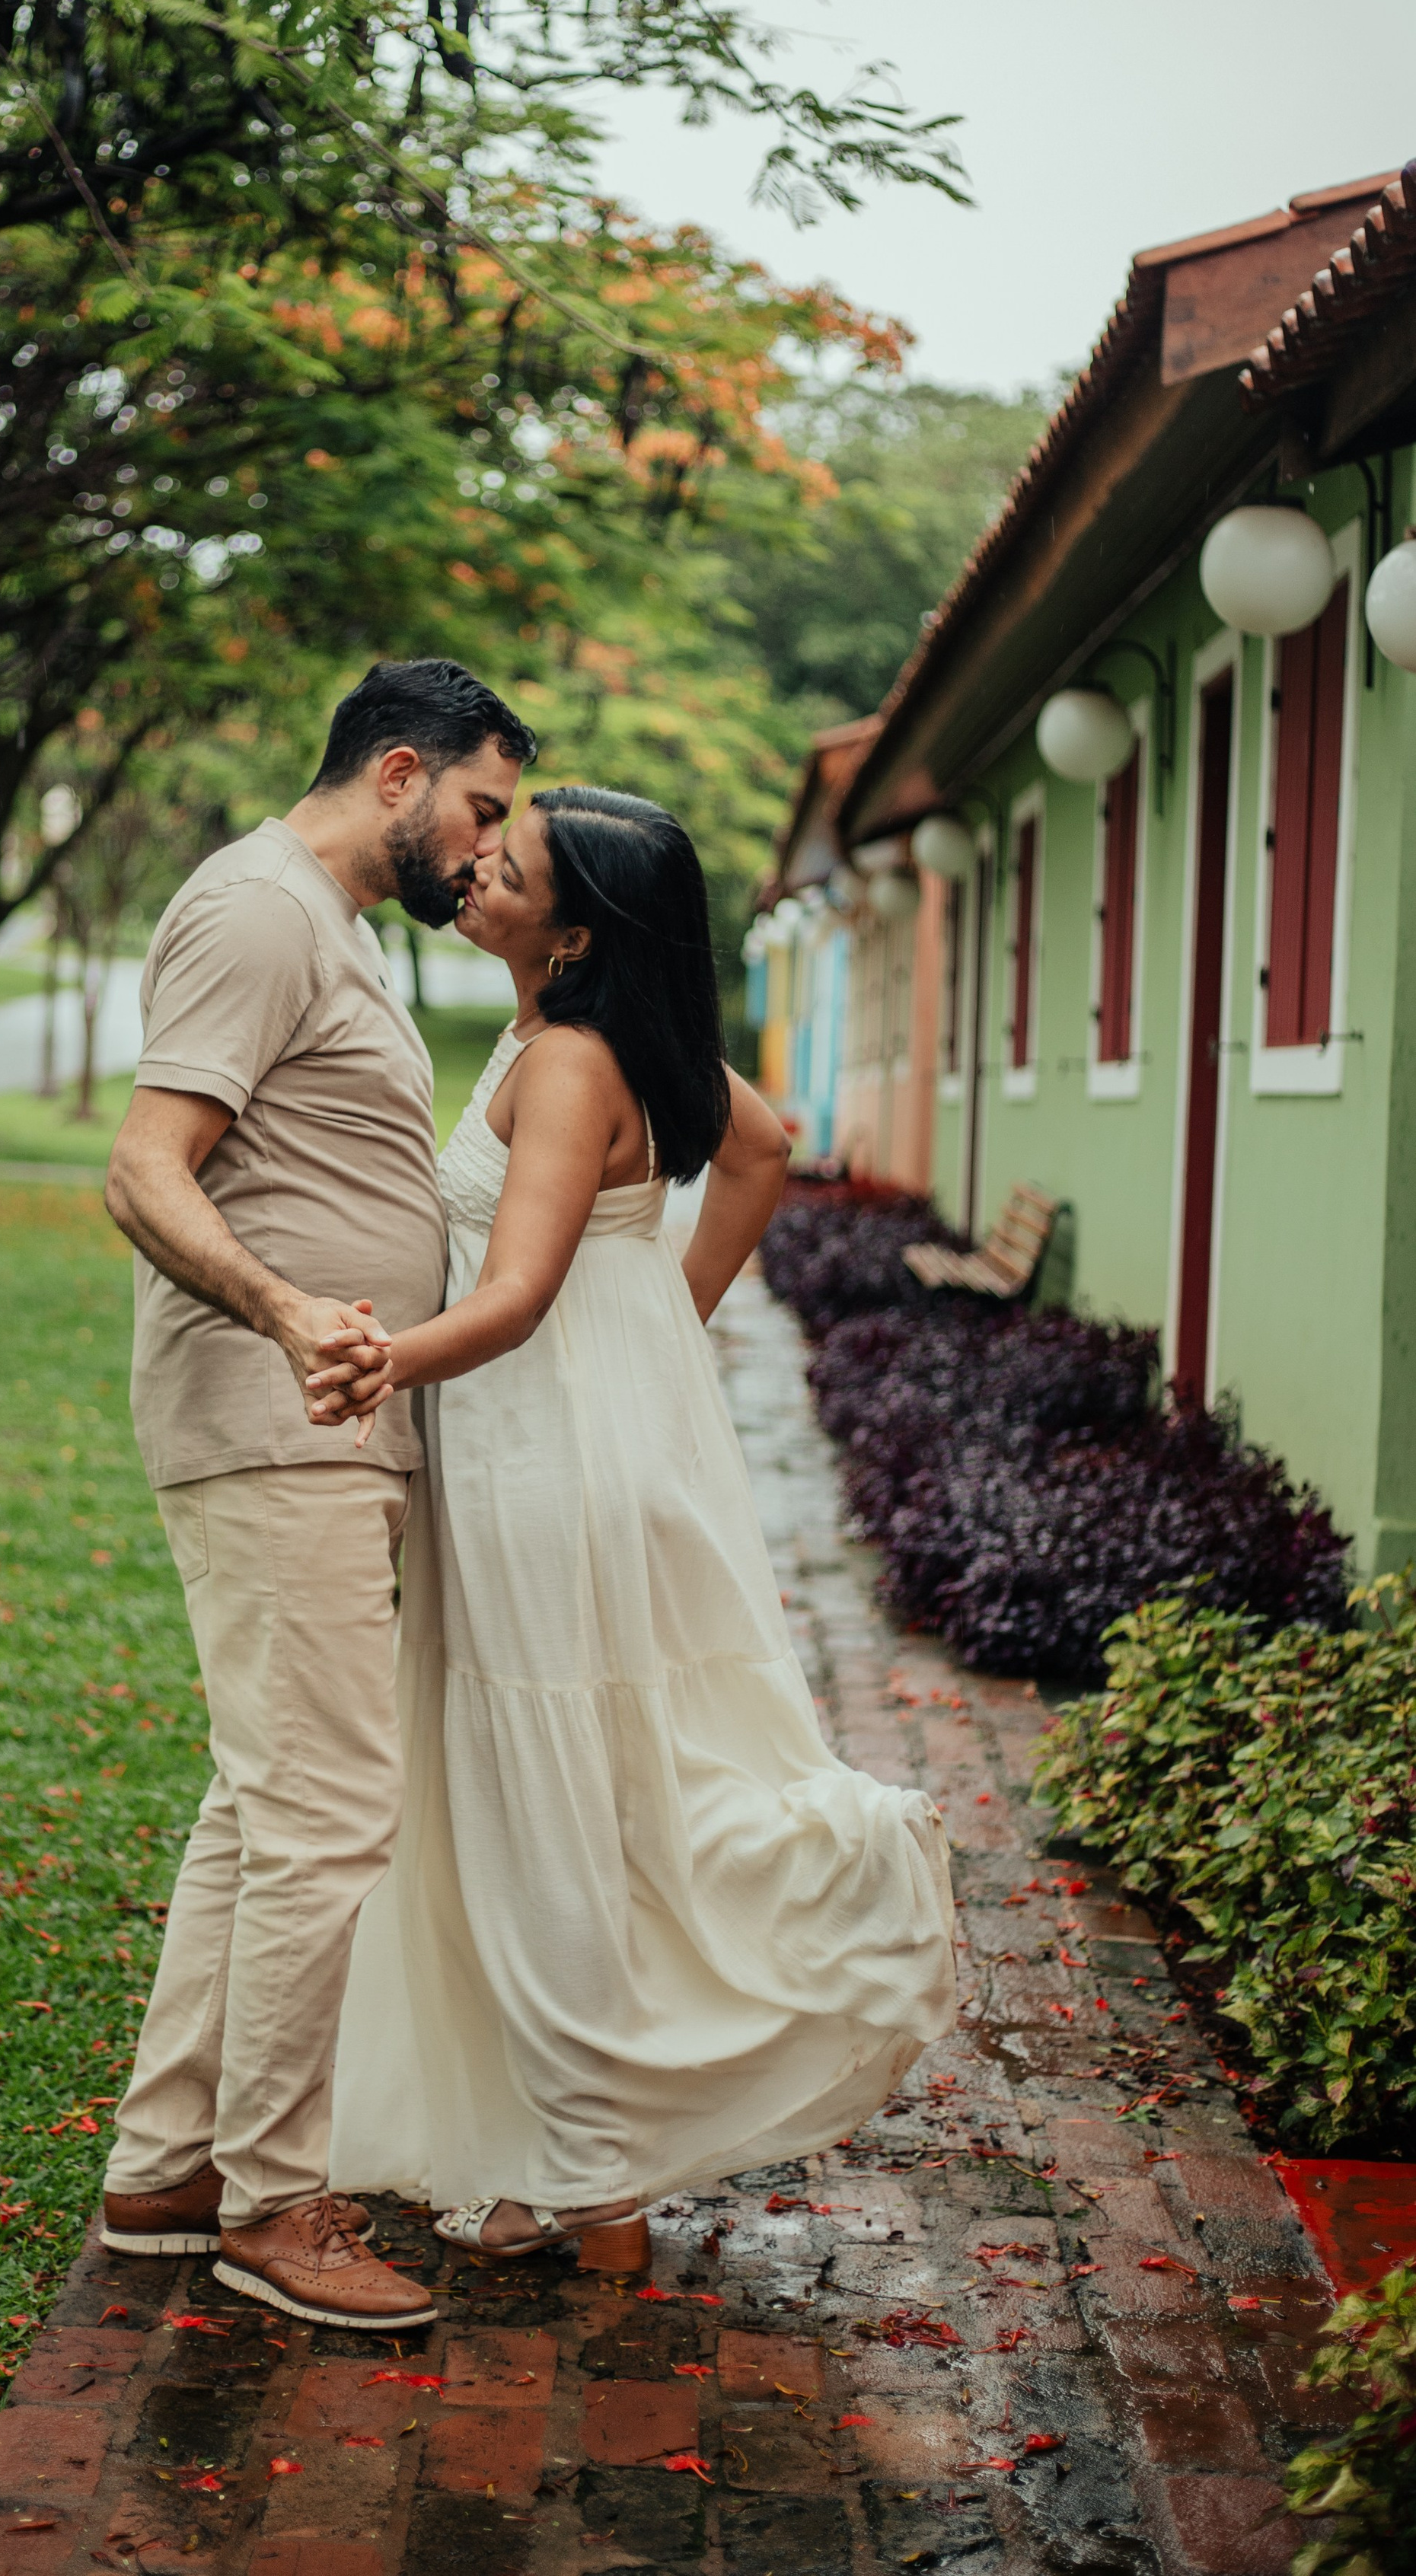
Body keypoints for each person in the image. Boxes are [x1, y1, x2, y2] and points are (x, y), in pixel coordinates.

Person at [308, 786, 957, 2263]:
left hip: (541, 1451)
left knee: (548, 1794)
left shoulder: (571, 1060)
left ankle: (589, 2176)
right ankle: (576, 2149)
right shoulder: (582, 1032)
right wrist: (658, 1319)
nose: (474, 865)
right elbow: (768, 1144)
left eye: (510, 864)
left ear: (577, 928)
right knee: (570, 1779)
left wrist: (376, 1363)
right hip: (569, 1430)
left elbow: (520, 1290)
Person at [95, 658, 536, 2332]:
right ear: (400, 772)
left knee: (262, 1800)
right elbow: (144, 1168)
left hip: (332, 1424)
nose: (481, 850)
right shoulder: (264, 912)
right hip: (277, 1416)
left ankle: (167, 2168)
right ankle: (275, 2206)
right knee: (331, 1813)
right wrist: (287, 1311)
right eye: (478, 811)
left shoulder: (337, 928)